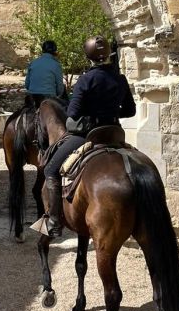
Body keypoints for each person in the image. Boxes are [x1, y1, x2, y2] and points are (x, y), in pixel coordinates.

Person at [43, 35, 136, 237]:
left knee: (50, 169)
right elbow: (130, 111)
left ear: (89, 56)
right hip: (114, 133)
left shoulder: (86, 79)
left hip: (89, 135)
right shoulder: (120, 79)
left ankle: (54, 221)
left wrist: (92, 112)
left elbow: (73, 113)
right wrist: (110, 112)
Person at [24, 40, 65, 108]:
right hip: (49, 98)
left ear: (42, 50)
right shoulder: (56, 65)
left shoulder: (33, 63)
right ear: (55, 51)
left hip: (32, 98)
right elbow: (60, 87)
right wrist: (58, 94)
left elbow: (27, 84)